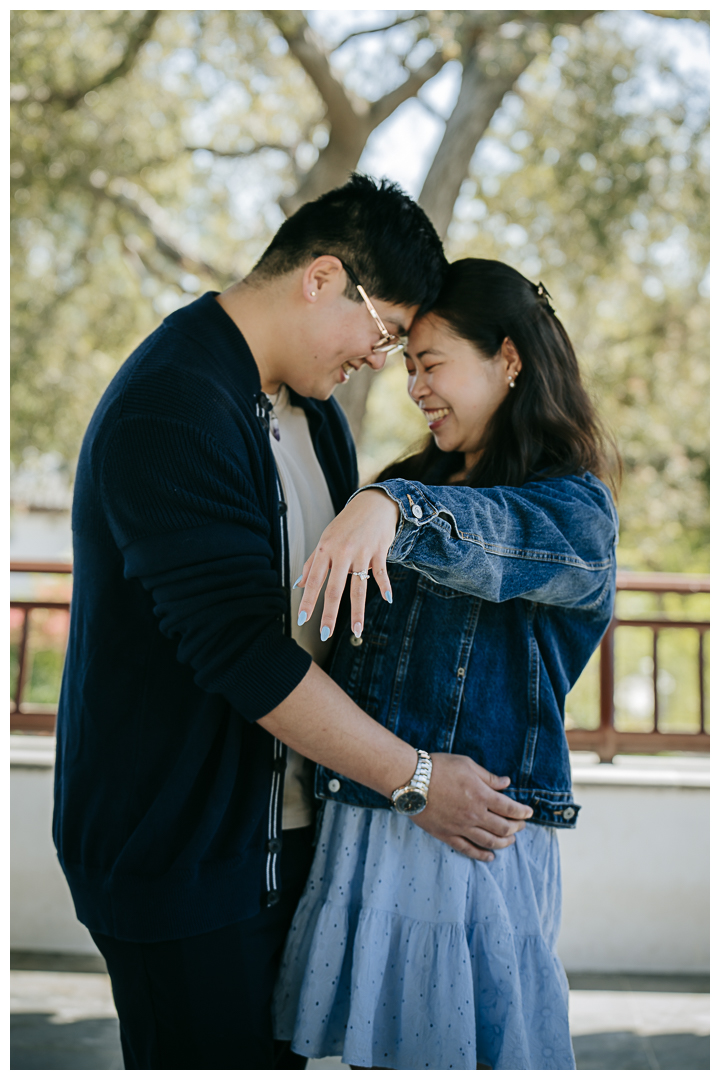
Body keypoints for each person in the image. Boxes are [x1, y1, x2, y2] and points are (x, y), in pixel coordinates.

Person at [52, 180, 535, 1070]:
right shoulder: (171, 404)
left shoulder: (315, 420)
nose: (383, 357)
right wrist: (420, 782)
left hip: (295, 845)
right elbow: (241, 651)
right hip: (181, 860)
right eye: (385, 330)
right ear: (322, 278)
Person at [273, 258, 620, 1070]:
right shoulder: (406, 485)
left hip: (469, 846)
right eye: (408, 367)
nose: (416, 388)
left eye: (432, 365)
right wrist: (389, 497)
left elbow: (495, 542)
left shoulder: (572, 507)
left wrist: (390, 506)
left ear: (508, 358)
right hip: (366, 825)